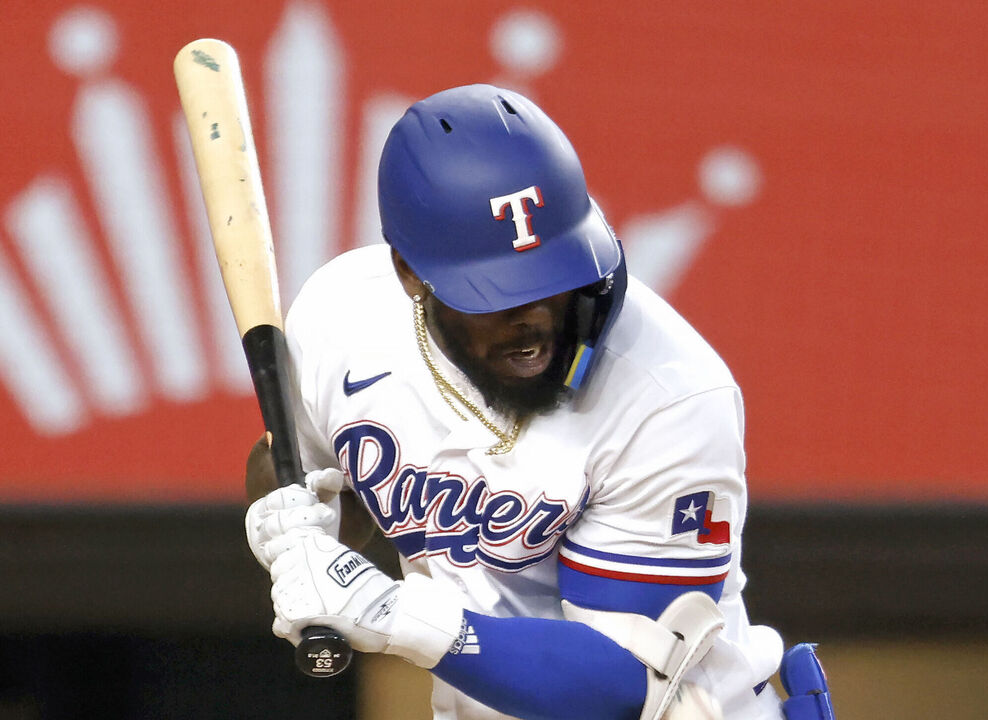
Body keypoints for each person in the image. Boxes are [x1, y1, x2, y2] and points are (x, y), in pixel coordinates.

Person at [244, 84, 835, 720]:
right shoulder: (341, 316)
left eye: (555, 278)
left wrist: (391, 613)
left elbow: (626, 685)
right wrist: (298, 532)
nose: (537, 319)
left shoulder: (668, 395)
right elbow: (314, 478)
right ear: (411, 274)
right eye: (497, 293)